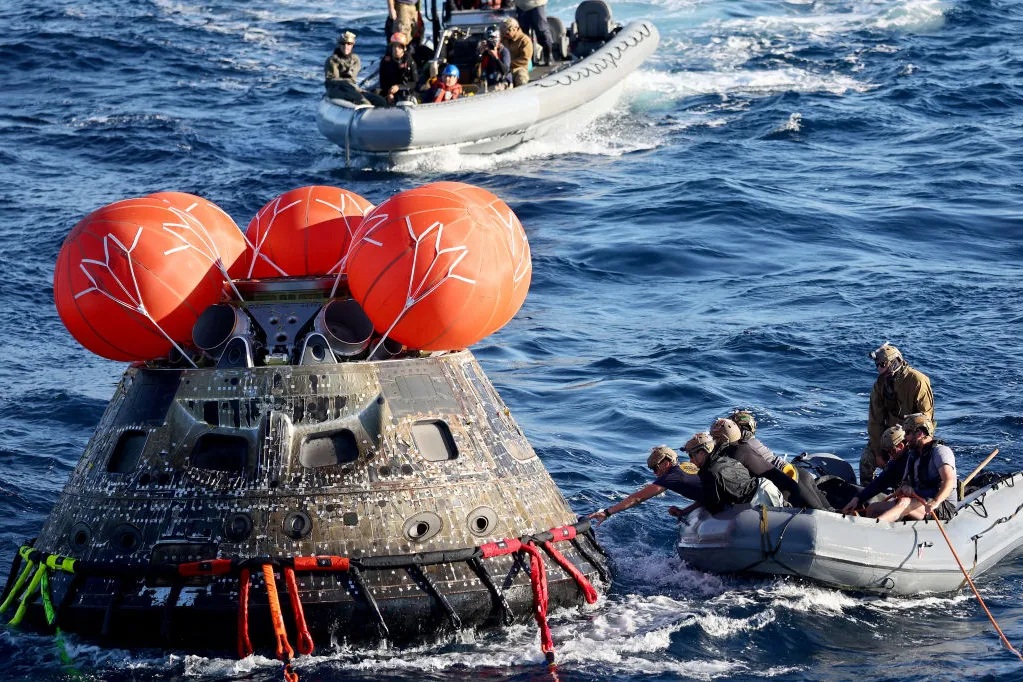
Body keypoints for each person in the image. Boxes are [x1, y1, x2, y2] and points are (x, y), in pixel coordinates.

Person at [711, 417, 831, 510]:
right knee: (827, 510)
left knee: (820, 512)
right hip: (795, 475)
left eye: (714, 438)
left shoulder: (737, 452)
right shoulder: (745, 445)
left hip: (789, 485)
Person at [860, 343, 934, 484]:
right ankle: (866, 496)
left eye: (884, 364)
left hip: (913, 437)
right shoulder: (880, 385)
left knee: (906, 472)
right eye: (879, 366)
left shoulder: (917, 381)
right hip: (890, 435)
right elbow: (875, 420)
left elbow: (925, 420)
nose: (881, 369)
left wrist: (908, 442)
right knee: (866, 460)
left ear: (895, 362)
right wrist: (877, 453)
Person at [587, 445, 706, 525]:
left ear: (666, 463)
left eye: (655, 468)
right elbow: (705, 494)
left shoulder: (670, 477)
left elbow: (637, 498)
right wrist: (684, 511)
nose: (655, 473)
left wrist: (607, 513)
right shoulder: (687, 466)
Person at [871, 413, 957, 522]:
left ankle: (874, 527)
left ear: (920, 433)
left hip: (942, 505)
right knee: (873, 508)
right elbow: (905, 482)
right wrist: (905, 487)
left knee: (904, 503)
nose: (905, 438)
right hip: (918, 500)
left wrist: (935, 502)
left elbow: (949, 481)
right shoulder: (913, 455)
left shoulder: (941, 452)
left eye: (908, 433)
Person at [841, 425, 910, 516]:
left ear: (901, 446)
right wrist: (857, 499)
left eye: (891, 451)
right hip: (906, 500)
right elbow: (879, 483)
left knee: (873, 509)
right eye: (886, 452)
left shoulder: (913, 459)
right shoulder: (896, 463)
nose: (890, 456)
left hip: (922, 504)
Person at [324, 31, 386, 106]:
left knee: (380, 101)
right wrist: (347, 83)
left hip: (352, 88)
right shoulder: (332, 60)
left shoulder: (355, 59)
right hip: (336, 89)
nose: (346, 46)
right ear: (339, 45)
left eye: (349, 44)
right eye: (343, 43)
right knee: (364, 103)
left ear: (353, 45)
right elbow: (333, 80)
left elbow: (353, 79)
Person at [378, 32, 419, 105]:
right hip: (389, 91)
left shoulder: (409, 61)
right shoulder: (385, 61)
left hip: (405, 90)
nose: (396, 49)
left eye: (399, 47)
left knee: (405, 96)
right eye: (394, 46)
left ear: (404, 48)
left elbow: (414, 83)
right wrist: (389, 93)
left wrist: (399, 87)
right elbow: (382, 82)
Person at [515, 0, 554, 66]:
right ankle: (527, 58)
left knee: (542, 30)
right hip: (521, 5)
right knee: (522, 34)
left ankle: (548, 55)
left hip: (537, 4)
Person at [477, 26, 512, 91]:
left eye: (493, 38)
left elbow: (505, 71)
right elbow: (476, 72)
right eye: (488, 38)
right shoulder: (485, 53)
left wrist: (496, 57)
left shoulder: (503, 51)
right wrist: (480, 54)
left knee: (494, 89)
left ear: (499, 39)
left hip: (503, 82)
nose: (491, 41)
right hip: (488, 83)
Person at [500, 17, 533, 87]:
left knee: (521, 79)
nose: (505, 33)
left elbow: (525, 59)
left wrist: (507, 64)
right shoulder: (502, 39)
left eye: (508, 31)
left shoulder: (525, 40)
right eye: (503, 32)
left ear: (515, 29)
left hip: (519, 68)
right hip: (503, 69)